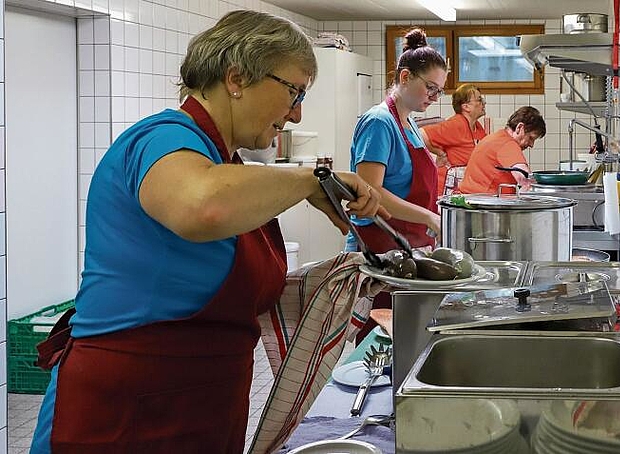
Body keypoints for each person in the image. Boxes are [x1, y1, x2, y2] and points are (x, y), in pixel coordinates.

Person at [30, 11, 385, 454]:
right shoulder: (161, 137)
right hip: (123, 413)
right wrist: (311, 178)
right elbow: (203, 206)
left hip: (203, 406)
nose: (296, 114)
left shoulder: (227, 164)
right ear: (236, 77)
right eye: (294, 92)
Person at [347, 27, 447, 341]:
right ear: (404, 78)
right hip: (379, 252)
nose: (433, 96)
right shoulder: (379, 122)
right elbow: (370, 192)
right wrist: (429, 218)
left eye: (439, 91)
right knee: (378, 344)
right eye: (430, 87)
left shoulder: (411, 123)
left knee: (405, 340)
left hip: (405, 249)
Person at [459, 106, 546, 194]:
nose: (531, 145)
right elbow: (524, 179)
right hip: (482, 202)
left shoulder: (497, 137)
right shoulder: (507, 144)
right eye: (531, 138)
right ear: (519, 128)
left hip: (469, 198)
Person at [419, 83, 487, 196]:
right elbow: (420, 134)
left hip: (464, 187)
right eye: (479, 100)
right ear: (466, 107)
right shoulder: (457, 124)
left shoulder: (478, 127)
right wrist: (440, 153)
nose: (483, 103)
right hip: (446, 189)